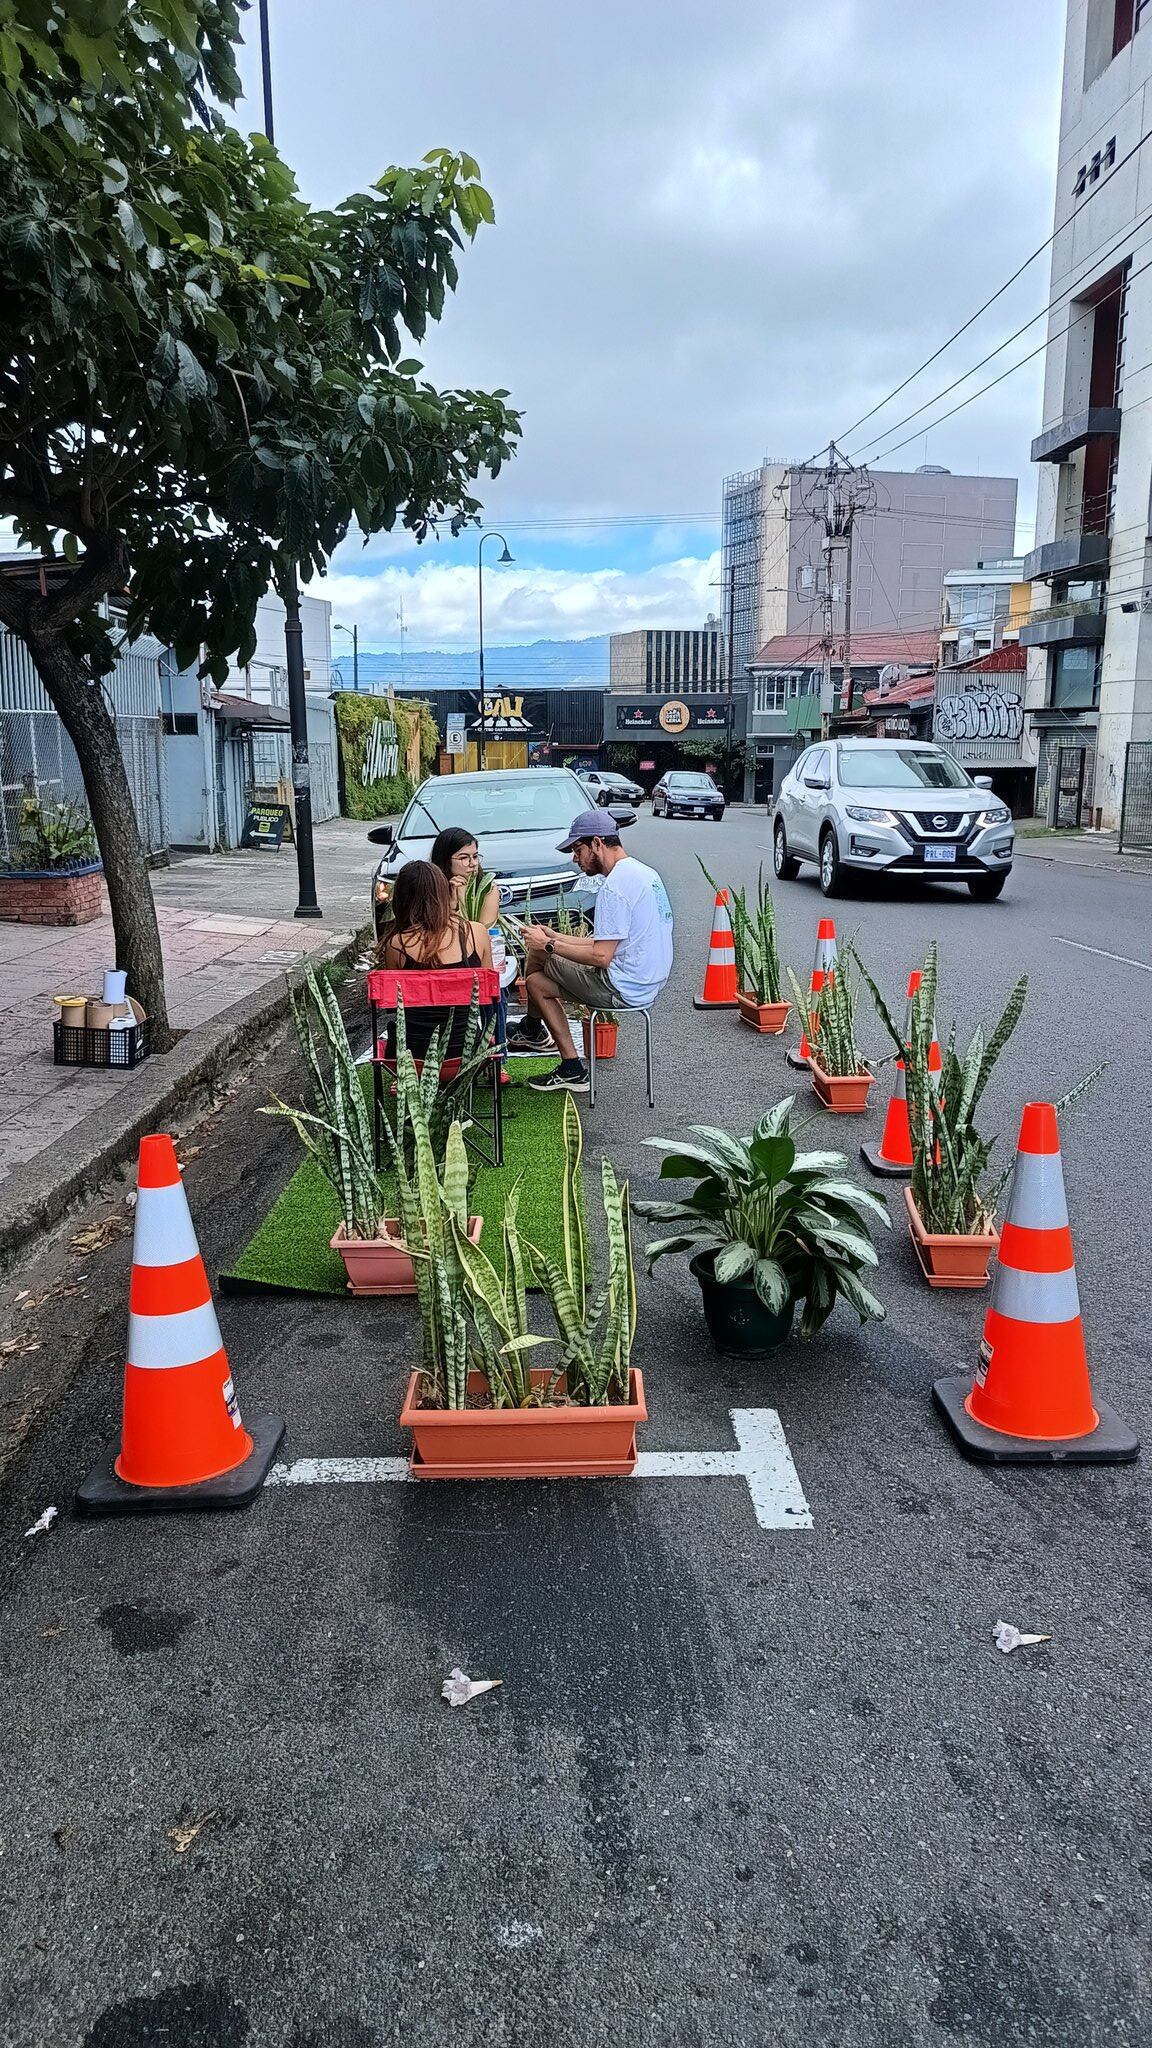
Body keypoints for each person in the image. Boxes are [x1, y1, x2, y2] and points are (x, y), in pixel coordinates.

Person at [508, 809, 674, 1093]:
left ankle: (541, 1038)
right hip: (647, 982)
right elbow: (606, 942)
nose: (575, 858)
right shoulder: (644, 873)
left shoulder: (614, 887)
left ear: (597, 843)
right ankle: (538, 1035)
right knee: (536, 982)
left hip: (621, 986)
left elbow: (601, 956)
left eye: (577, 849)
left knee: (536, 956)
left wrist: (547, 945)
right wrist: (555, 936)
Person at [373, 859, 493, 1061]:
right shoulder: (476, 932)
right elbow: (488, 992)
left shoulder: (396, 945)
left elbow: (394, 1006)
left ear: (401, 899)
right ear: (443, 893)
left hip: (414, 1057)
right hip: (467, 1053)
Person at [429, 826, 507, 1072]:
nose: (472, 863)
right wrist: (452, 898)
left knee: (497, 994)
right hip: (440, 960)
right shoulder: (432, 887)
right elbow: (436, 929)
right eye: (464, 858)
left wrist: (461, 898)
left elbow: (481, 927)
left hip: (472, 955)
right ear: (445, 859)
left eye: (475, 856)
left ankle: (498, 1059)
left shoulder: (487, 887)